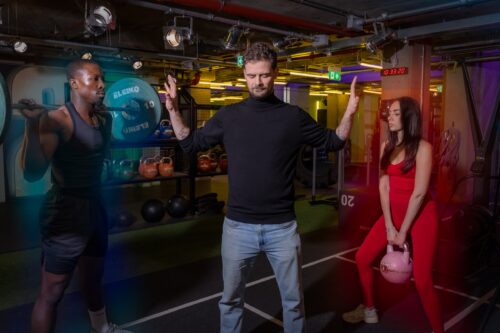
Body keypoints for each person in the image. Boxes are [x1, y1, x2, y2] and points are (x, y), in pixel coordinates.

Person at [163, 42, 360, 333]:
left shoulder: (293, 117)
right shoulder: (229, 117)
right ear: (244, 74)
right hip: (237, 228)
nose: (258, 81)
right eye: (252, 75)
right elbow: (190, 143)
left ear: (275, 74)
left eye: (264, 75)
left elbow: (334, 141)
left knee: (293, 301)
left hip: (282, 228)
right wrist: (173, 109)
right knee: (230, 300)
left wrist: (351, 111)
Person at [19, 59, 131, 333]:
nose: (102, 85)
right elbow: (32, 172)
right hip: (65, 211)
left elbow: (99, 154)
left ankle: (101, 328)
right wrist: (33, 127)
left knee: (93, 277)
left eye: (102, 79)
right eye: (94, 79)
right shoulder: (57, 119)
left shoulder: (105, 118)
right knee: (52, 291)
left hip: (95, 206)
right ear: (74, 84)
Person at [342, 96, 444, 333]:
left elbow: (419, 194)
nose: (390, 116)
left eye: (396, 112)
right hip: (394, 214)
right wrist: (389, 224)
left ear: (409, 117)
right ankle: (369, 309)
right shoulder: (386, 146)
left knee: (422, 280)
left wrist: (403, 231)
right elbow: (384, 185)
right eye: (390, 112)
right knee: (362, 258)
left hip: (421, 216)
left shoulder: (423, 148)